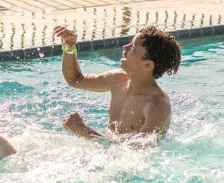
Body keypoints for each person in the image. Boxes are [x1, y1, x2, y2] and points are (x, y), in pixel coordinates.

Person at [53, 25, 181, 140]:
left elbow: (133, 155)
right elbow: (75, 79)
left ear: (147, 65)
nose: (125, 47)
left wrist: (83, 130)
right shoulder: (117, 79)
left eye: (133, 48)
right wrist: (69, 48)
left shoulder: (157, 106)